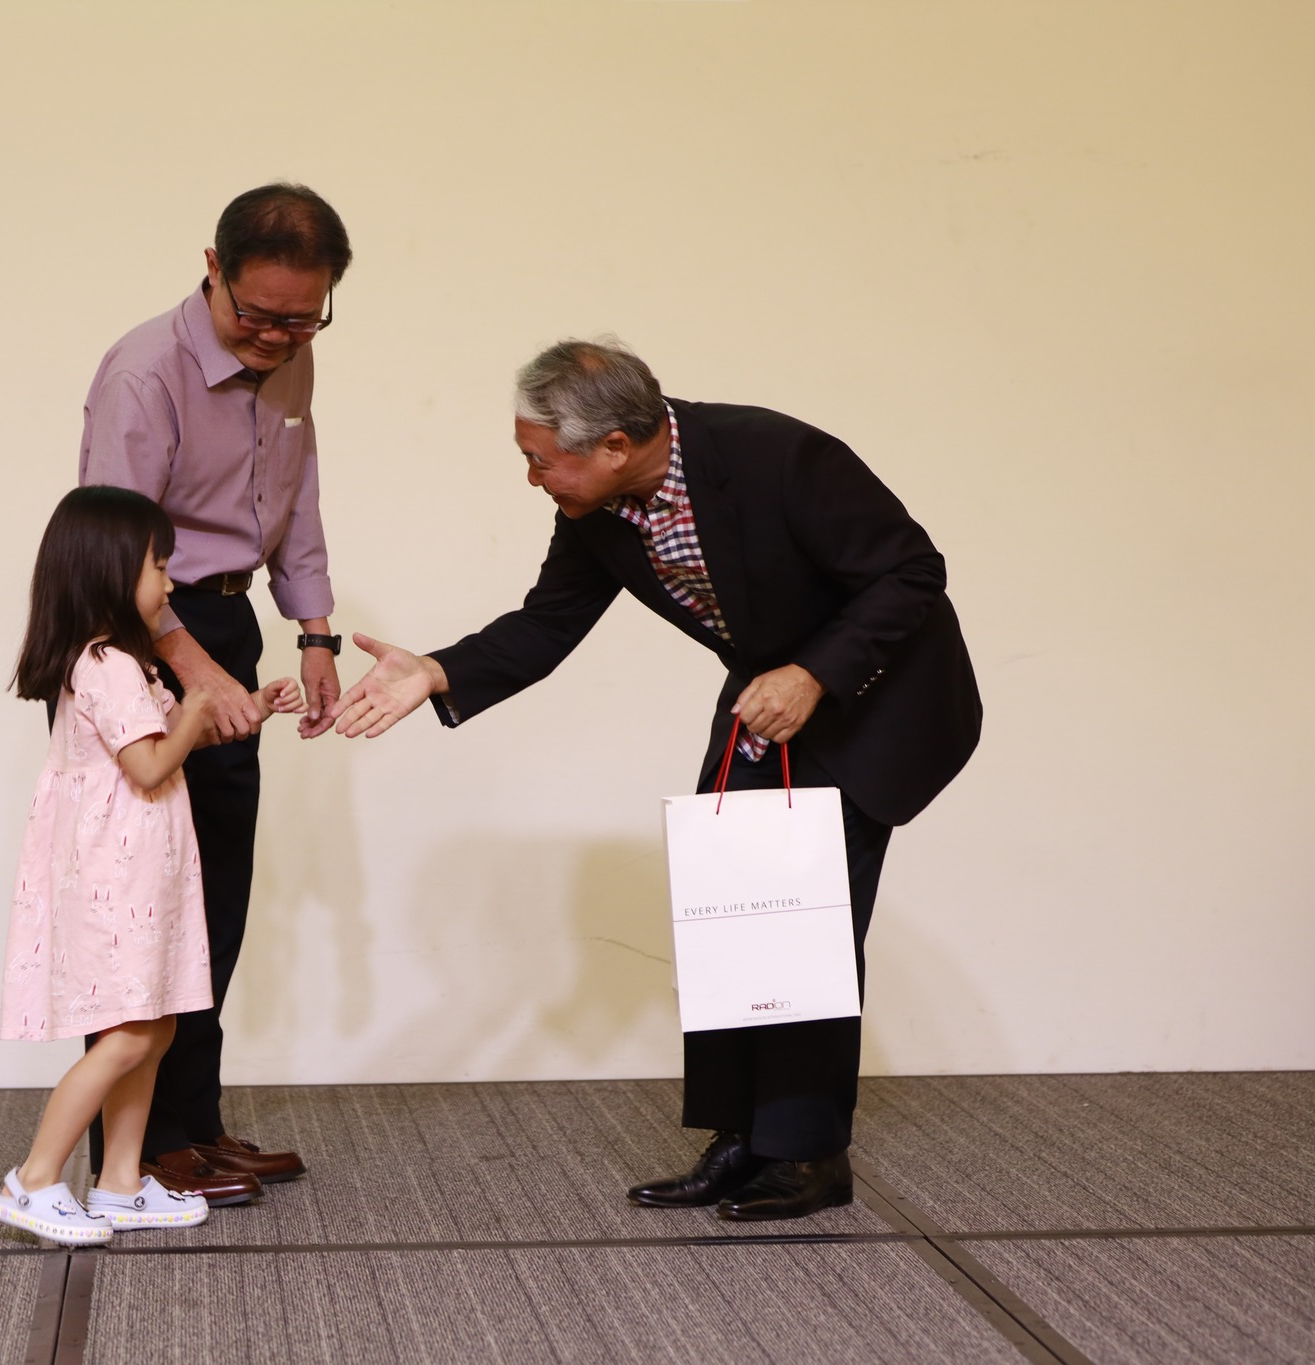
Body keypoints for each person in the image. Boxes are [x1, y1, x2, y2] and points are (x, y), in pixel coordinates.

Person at [332, 340, 982, 1222]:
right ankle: (742, 1139)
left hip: (876, 696)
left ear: (615, 444)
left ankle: (808, 1156)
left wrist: (813, 675)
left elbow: (911, 572)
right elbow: (547, 623)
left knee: (804, 925)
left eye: (540, 459)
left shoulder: (776, 455)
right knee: (731, 908)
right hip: (769, 695)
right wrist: (437, 670)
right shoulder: (596, 510)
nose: (532, 478)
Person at [74, 183, 352, 1203]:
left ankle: (193, 1123)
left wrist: (312, 630)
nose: (278, 337)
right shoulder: (143, 372)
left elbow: (296, 497)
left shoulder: (291, 356)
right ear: (212, 268)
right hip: (143, 636)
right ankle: (138, 1148)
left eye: (303, 319)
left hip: (230, 623)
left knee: (214, 895)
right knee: (143, 906)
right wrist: (190, 668)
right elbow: (113, 556)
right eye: (259, 315)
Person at [0, 486, 304, 1245]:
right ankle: (33, 1179)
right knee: (128, 1033)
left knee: (156, 1028)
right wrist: (198, 700)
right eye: (158, 565)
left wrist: (247, 706)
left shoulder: (126, 662)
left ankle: (121, 1183)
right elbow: (150, 762)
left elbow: (165, 741)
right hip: (114, 880)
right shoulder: (104, 664)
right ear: (108, 570)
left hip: (145, 875)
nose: (170, 583)